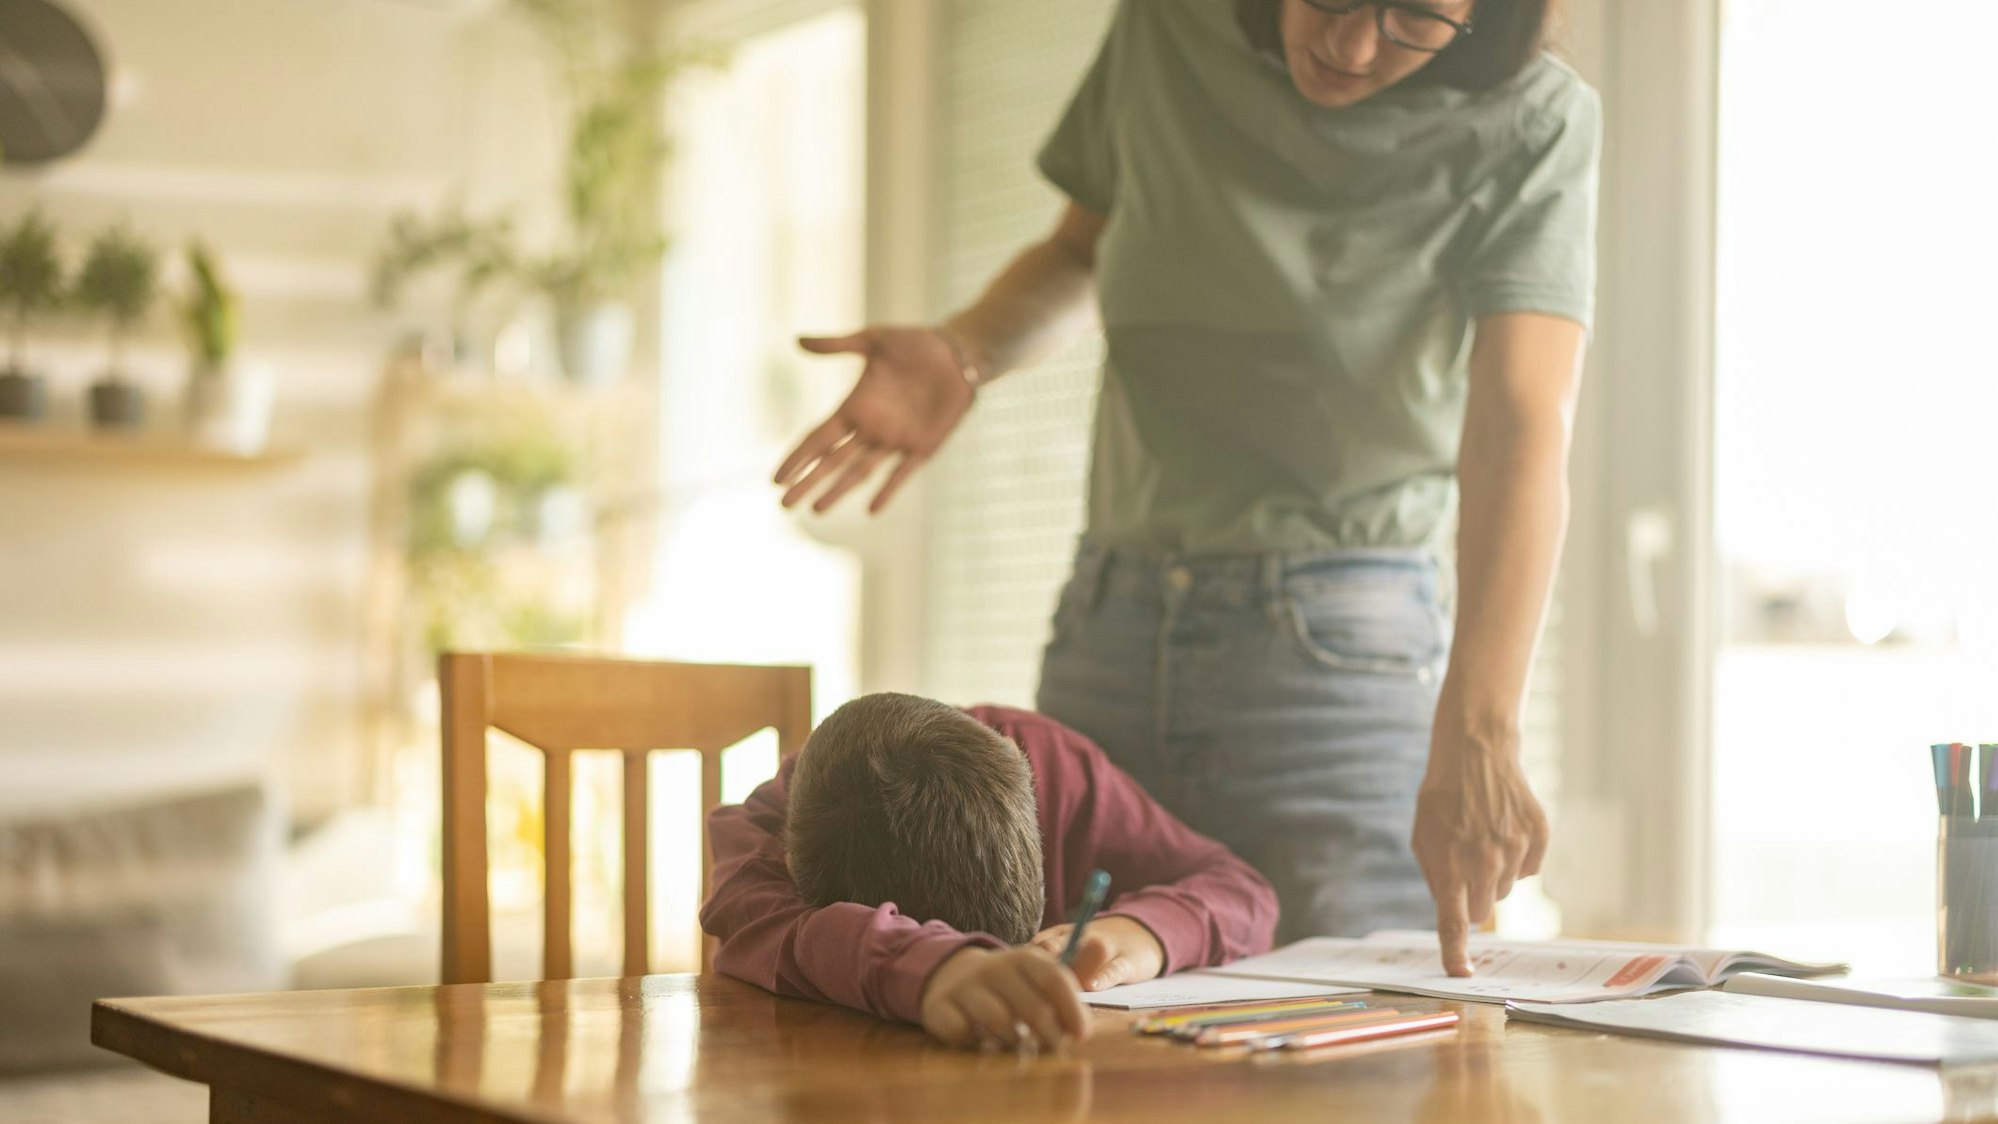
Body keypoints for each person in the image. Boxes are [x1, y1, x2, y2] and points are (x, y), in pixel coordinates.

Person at [772, 0, 1597, 976]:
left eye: (1413, 15)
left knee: (1354, 1051)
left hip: (1337, 653)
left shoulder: (1533, 116)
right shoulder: (1169, 26)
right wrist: (966, 350)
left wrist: (1483, 724)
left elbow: (1519, 422)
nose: (1352, 42)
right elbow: (1083, 249)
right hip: (1112, 622)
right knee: (1065, 998)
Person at [699, 692, 1278, 1049]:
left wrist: (1142, 934)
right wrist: (933, 969)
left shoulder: (1051, 762)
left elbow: (1244, 892)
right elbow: (752, 921)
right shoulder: (771, 833)